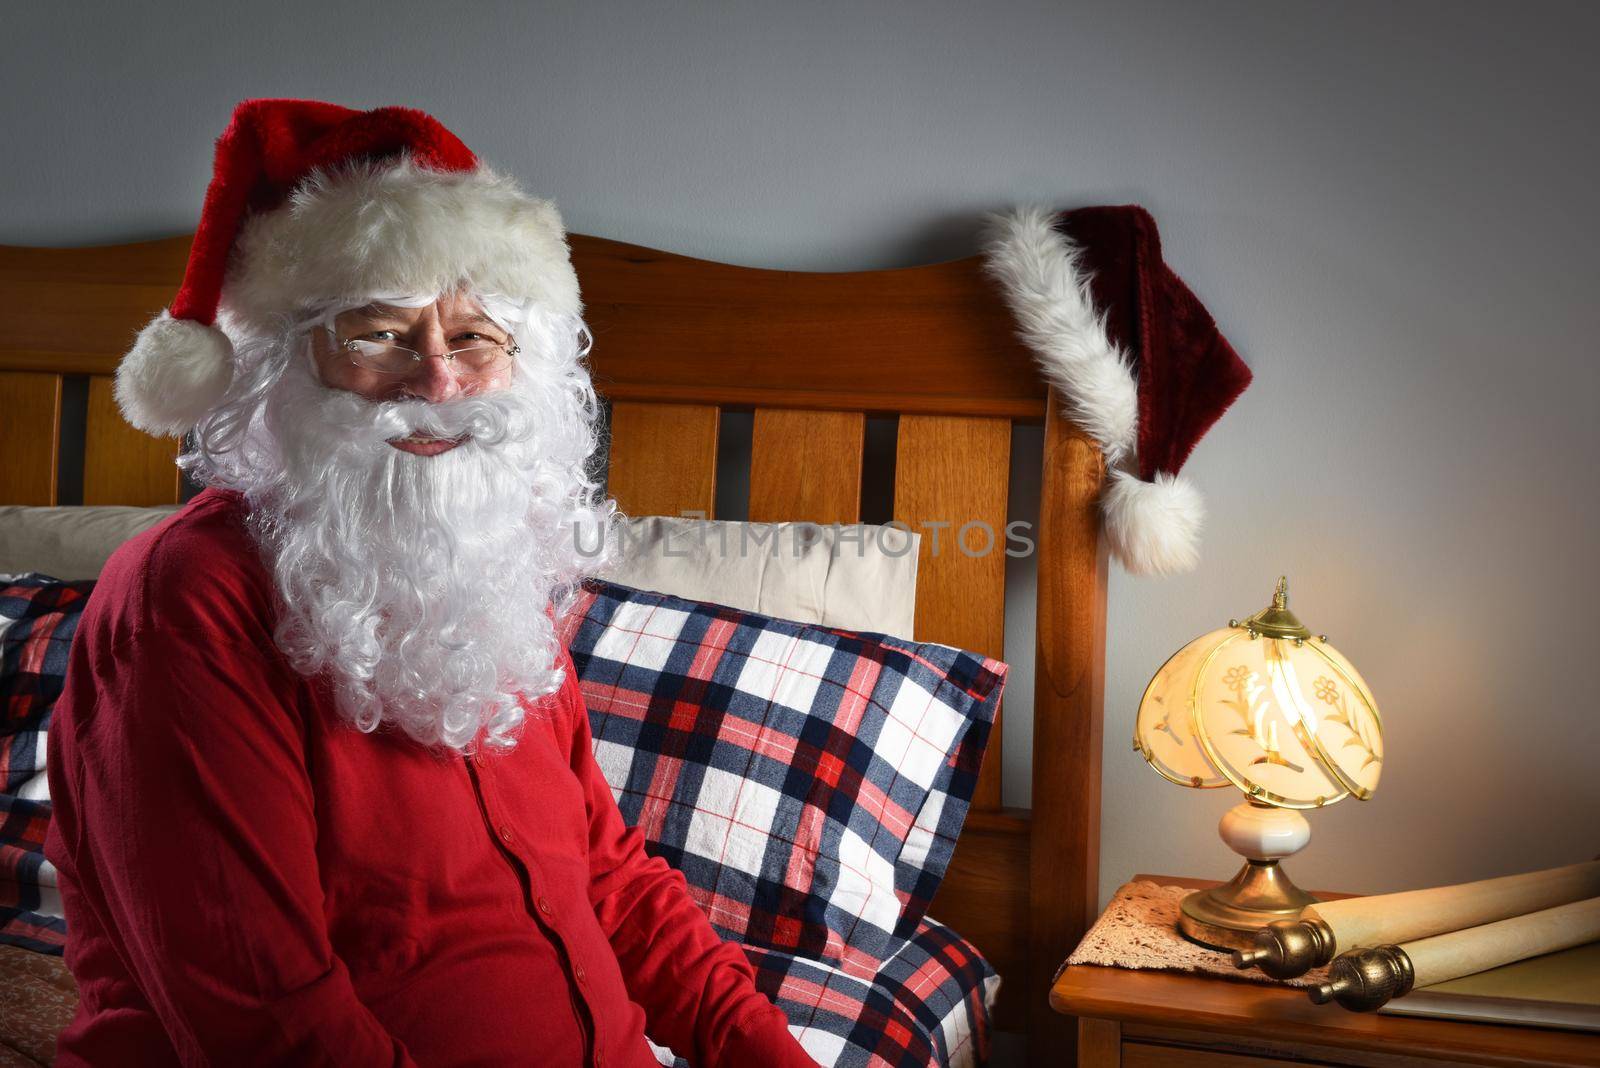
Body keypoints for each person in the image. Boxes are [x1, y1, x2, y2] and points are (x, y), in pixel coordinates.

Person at [43, 98, 818, 1068]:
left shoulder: (490, 565)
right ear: (284, 366)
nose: (438, 382)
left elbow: (612, 886)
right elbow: (264, 1016)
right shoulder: (186, 596)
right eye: (378, 335)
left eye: (476, 338)